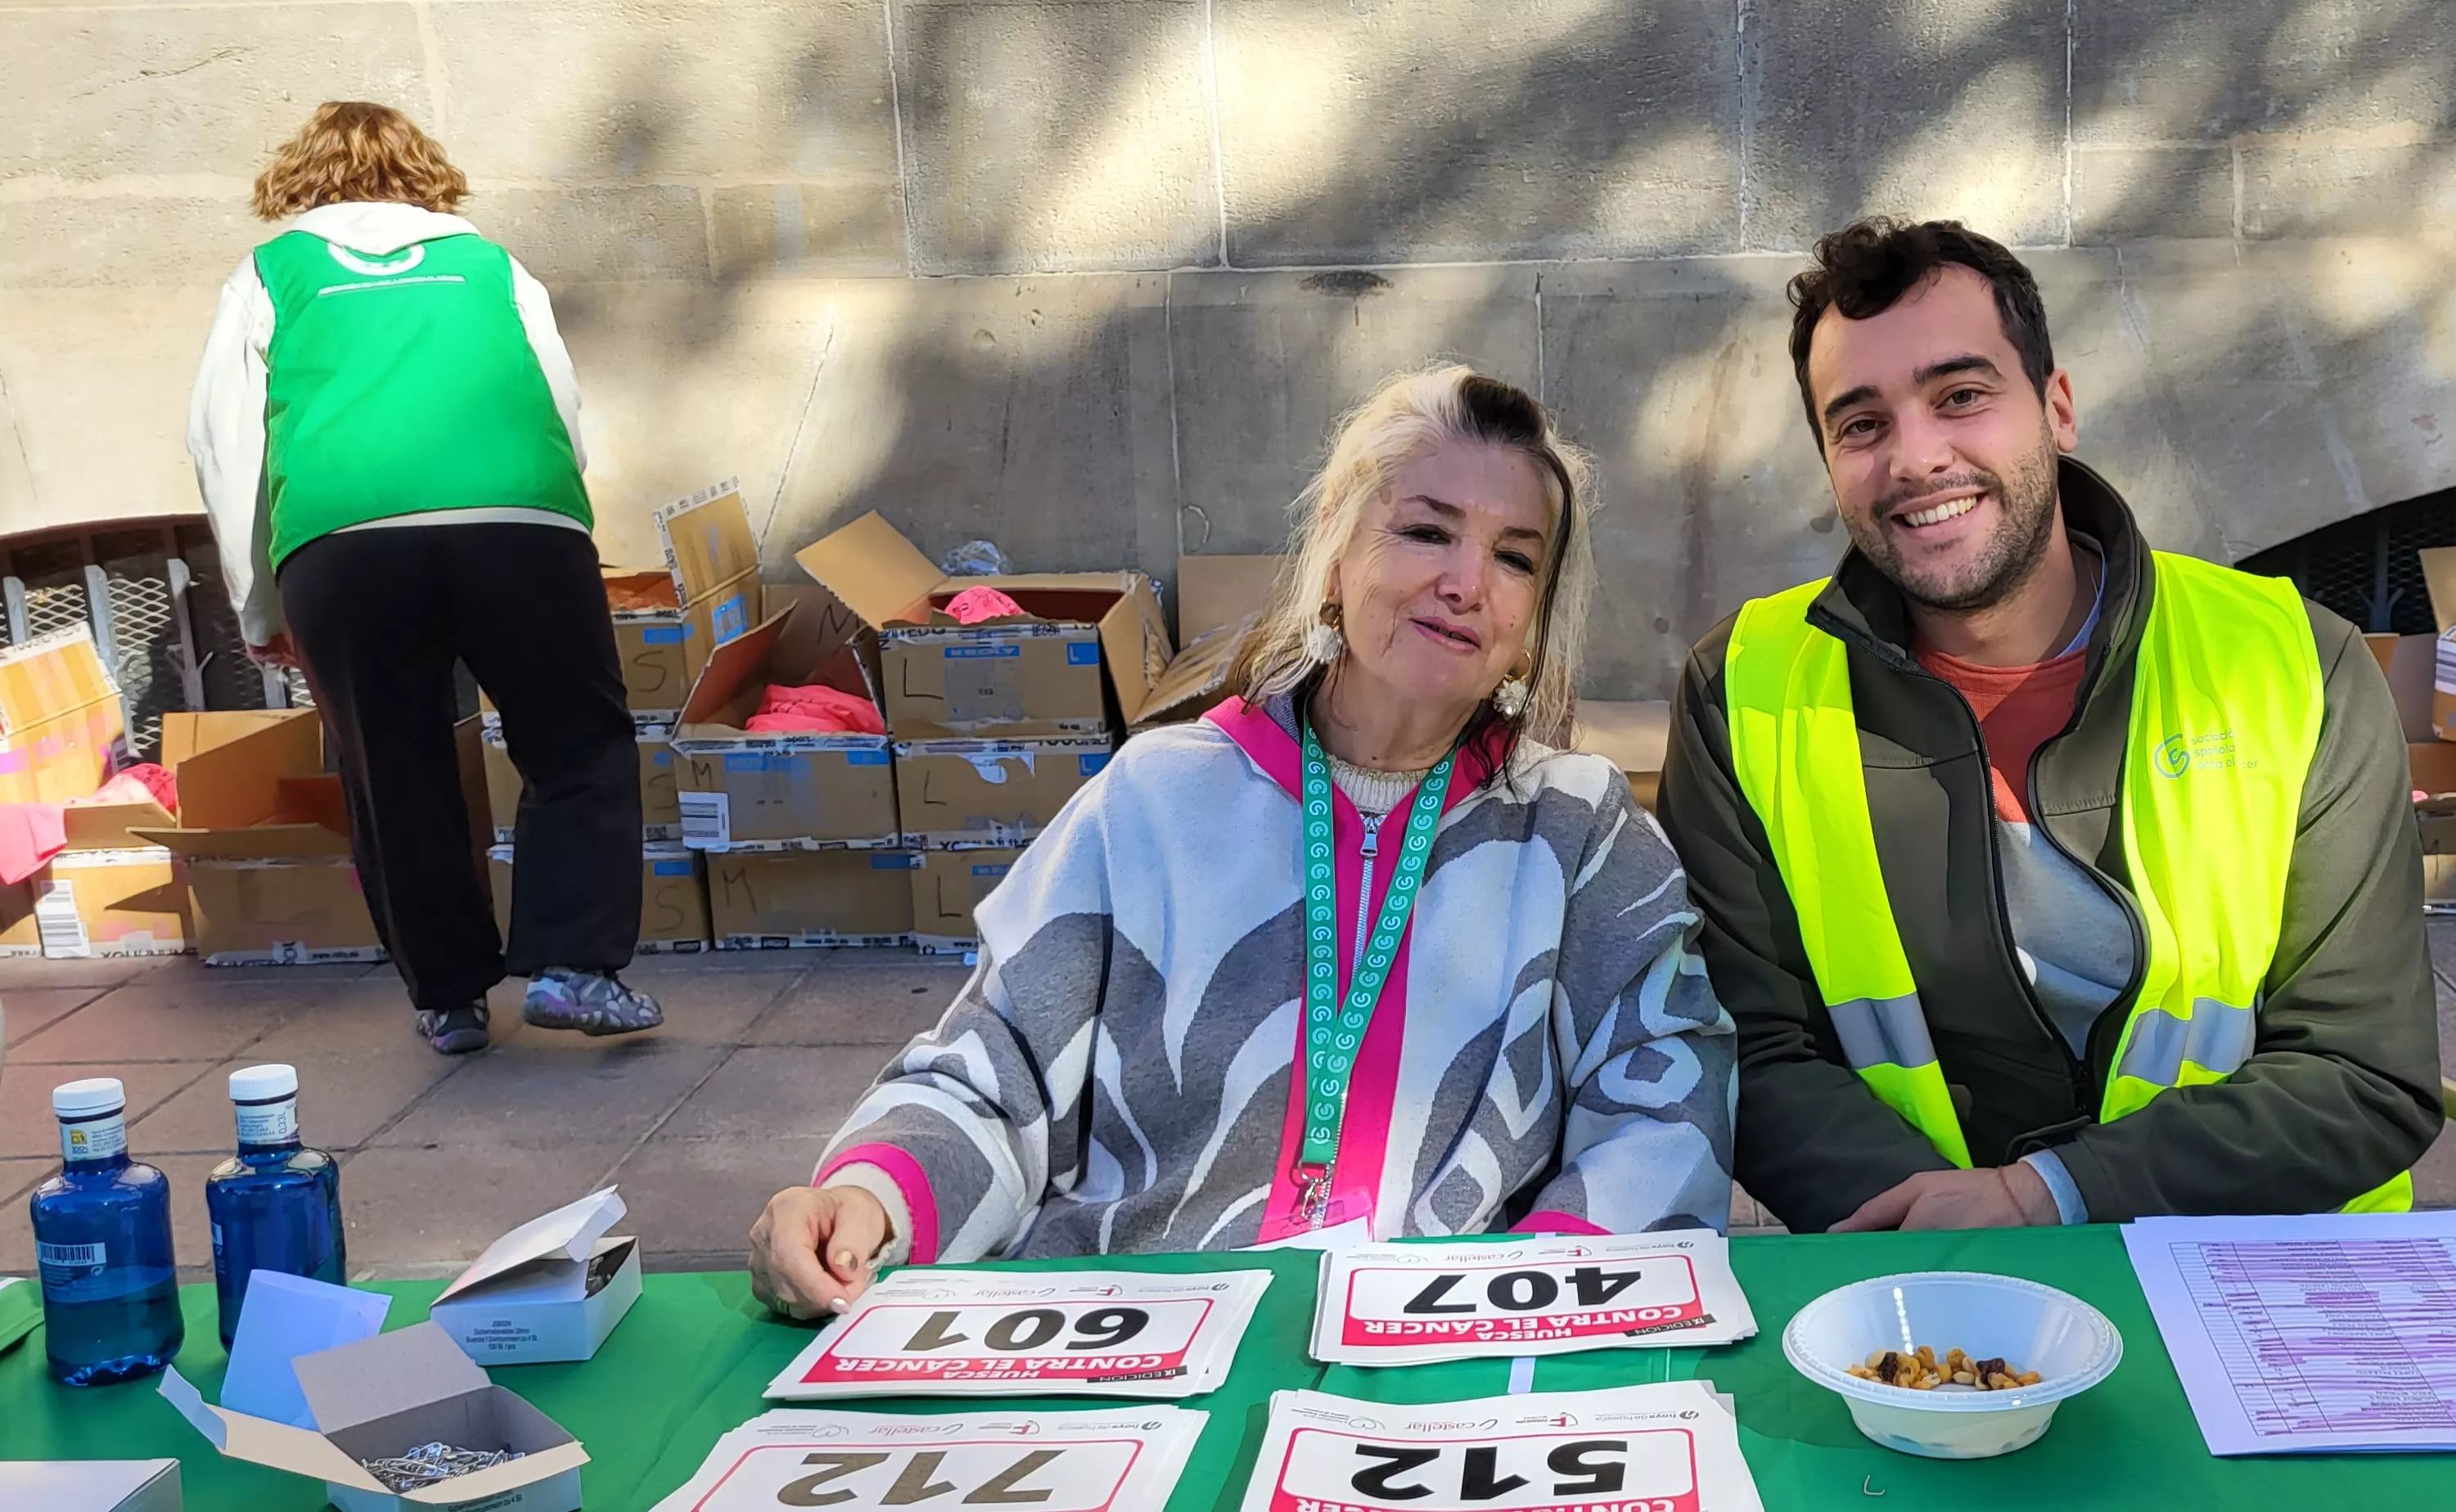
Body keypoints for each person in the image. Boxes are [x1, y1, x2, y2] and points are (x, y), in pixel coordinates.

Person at [748, 367, 1733, 1312]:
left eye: (1514, 558)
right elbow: (994, 1068)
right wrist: (871, 1199)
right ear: (1336, 551)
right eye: (1426, 531)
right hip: (1136, 1340)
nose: (1467, 582)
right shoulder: (1154, 798)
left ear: (1533, 618)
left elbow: (1666, 1107)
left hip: (1438, 1354)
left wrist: (1517, 1302)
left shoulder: (1580, 830)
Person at [1657, 218, 2440, 1234]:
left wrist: (2044, 1200)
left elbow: (2362, 1072)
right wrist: (1945, 1234)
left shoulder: (2294, 662)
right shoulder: (1742, 686)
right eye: (1861, 424)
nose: (1916, 457)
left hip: (2257, 1260)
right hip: (1917, 1273)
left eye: (1960, 396)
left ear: (2057, 408)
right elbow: (1747, 1048)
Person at [186, 101, 657, 1055]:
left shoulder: (269, 272)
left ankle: (450, 998)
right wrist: (556, 520)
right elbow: (560, 398)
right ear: (423, 172)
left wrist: (258, 601)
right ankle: (574, 967)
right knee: (578, 744)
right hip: (516, 522)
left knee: (392, 767)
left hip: (347, 545)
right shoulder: (491, 263)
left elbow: (225, 444)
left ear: (299, 176)